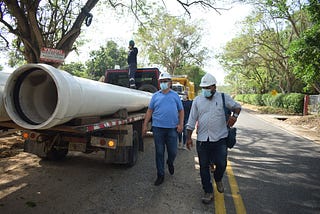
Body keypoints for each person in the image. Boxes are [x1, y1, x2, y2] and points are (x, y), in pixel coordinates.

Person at [186, 72, 241, 204]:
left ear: (214, 87)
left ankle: (218, 178)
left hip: (220, 139)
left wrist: (234, 116)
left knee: (221, 164)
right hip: (203, 140)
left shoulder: (223, 98)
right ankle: (208, 191)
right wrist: (188, 137)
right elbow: (191, 120)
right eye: (203, 88)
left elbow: (237, 107)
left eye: (208, 88)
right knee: (203, 167)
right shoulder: (198, 101)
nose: (205, 90)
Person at [142, 72, 184, 186]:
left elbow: (181, 111)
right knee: (159, 152)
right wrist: (145, 125)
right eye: (162, 81)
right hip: (158, 129)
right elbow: (150, 111)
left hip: (172, 129)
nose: (164, 83)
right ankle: (160, 175)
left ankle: (170, 162)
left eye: (166, 81)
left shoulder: (175, 95)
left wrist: (181, 124)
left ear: (170, 83)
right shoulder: (155, 96)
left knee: (173, 152)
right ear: (159, 83)